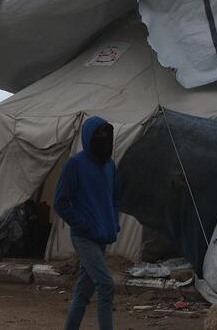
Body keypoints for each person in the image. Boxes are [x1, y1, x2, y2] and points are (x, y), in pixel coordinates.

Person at [54, 116, 120, 330]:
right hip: (84, 237)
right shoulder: (75, 164)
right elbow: (60, 202)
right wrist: (83, 224)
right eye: (98, 135)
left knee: (82, 293)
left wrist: (113, 223)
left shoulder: (110, 165)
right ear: (88, 137)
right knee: (106, 285)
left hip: (102, 237)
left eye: (106, 135)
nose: (103, 139)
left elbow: (114, 198)